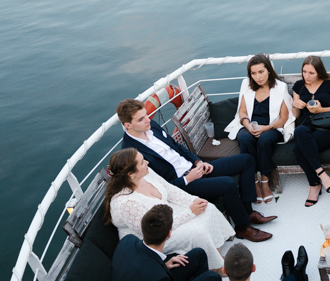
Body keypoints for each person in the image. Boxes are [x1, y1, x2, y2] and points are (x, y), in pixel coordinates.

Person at [117, 98, 273, 242]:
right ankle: (243, 228)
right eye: (141, 119)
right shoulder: (132, 154)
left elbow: (177, 147)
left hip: (195, 168)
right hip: (183, 184)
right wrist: (188, 178)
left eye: (146, 115)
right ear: (127, 125)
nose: (147, 120)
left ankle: (249, 212)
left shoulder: (152, 127)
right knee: (228, 184)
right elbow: (161, 185)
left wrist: (198, 162)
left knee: (246, 160)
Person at [105, 149, 233, 269]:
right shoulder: (125, 203)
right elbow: (154, 231)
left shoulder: (146, 173)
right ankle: (215, 267)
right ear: (131, 174)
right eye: (143, 162)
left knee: (208, 208)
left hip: (166, 214)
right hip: (153, 239)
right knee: (197, 232)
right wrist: (190, 212)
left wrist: (193, 200)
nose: (147, 162)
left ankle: (217, 255)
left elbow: (170, 190)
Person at [224, 54, 294, 204]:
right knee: (244, 139)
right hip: (249, 125)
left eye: (261, 72)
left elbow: (283, 118)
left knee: (264, 140)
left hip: (272, 126)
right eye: (253, 73)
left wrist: (266, 128)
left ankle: (265, 181)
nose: (258, 77)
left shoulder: (280, 87)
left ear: (268, 70)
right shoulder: (246, 85)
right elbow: (242, 111)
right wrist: (247, 124)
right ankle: (254, 182)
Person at [291, 56, 330, 207]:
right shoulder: (298, 86)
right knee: (299, 131)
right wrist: (295, 105)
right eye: (304, 72)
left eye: (311, 73)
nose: (306, 76)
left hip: (327, 126)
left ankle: (314, 185)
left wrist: (321, 109)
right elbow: (296, 116)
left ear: (319, 72)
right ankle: (321, 173)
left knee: (297, 148)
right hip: (307, 125)